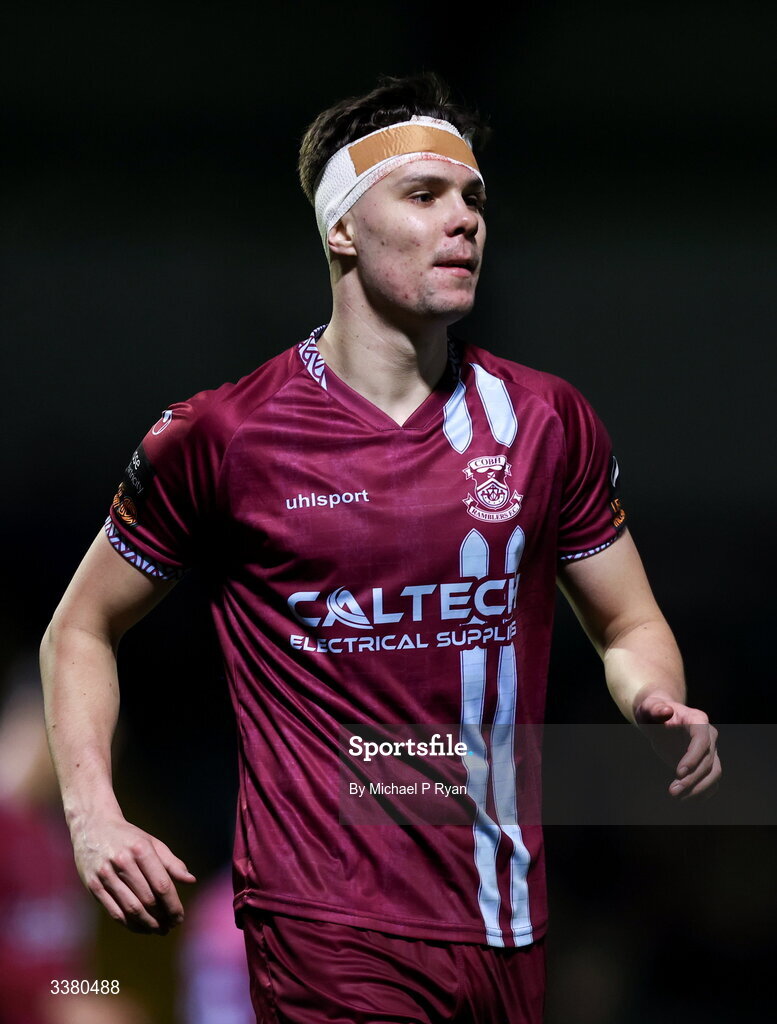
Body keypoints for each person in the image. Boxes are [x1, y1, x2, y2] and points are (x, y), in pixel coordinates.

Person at [40, 73, 720, 1023]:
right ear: (342, 232)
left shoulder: (545, 420)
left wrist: (649, 694)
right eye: (424, 195)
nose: (464, 220)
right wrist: (94, 816)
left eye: (473, 198)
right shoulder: (225, 436)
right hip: (323, 919)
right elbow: (80, 628)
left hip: (505, 918)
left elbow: (628, 621)